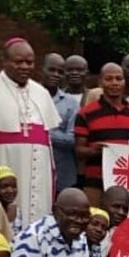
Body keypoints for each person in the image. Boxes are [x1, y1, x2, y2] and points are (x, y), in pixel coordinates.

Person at [0, 37, 61, 223]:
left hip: (39, 178)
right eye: (18, 62)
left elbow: (47, 144)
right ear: (5, 62)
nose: (25, 66)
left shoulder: (41, 93)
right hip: (4, 171)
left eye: (29, 62)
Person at [74, 63, 129, 205]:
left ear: (124, 82)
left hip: (127, 185)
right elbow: (79, 151)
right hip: (95, 183)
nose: (114, 83)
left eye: (119, 79)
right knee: (94, 222)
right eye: (109, 79)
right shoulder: (85, 114)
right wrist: (96, 151)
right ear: (100, 82)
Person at [44, 53, 81, 195]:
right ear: (43, 69)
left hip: (63, 177)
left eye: (60, 72)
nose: (56, 75)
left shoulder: (71, 103)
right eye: (51, 70)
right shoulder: (31, 97)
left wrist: (42, 133)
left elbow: (72, 139)